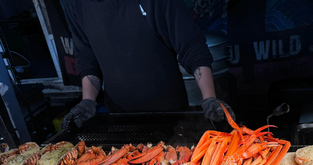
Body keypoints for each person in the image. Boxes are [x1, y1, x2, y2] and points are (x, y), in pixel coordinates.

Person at [61, 0, 234, 130]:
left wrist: (209, 98)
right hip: (118, 117)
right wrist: (87, 101)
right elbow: (87, 56)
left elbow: (191, 46)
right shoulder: (76, 4)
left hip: (170, 116)